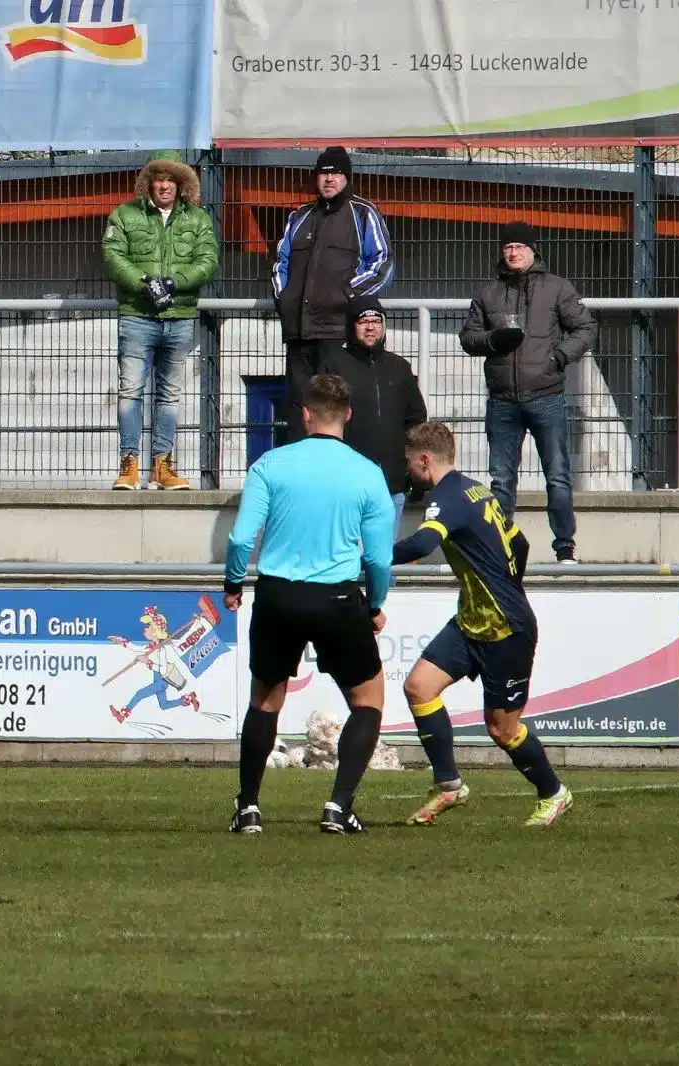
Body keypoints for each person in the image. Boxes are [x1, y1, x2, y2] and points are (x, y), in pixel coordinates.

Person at [223, 373, 394, 835]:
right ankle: (339, 805)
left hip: (278, 594)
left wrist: (233, 583)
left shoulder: (270, 465)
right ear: (349, 416)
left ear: (304, 414)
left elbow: (241, 538)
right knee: (368, 699)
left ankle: (249, 807)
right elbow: (379, 557)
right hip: (337, 596)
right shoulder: (367, 472)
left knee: (265, 699)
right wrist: (376, 602)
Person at [393, 421, 574, 827]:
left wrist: (370, 556)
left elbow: (422, 545)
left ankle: (554, 792)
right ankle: (449, 785)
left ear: (425, 460)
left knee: (502, 729)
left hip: (507, 628)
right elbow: (520, 542)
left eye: (410, 464)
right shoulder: (475, 489)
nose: (408, 472)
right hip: (474, 619)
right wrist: (507, 581)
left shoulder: (447, 496)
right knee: (419, 687)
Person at [459, 221, 596, 564]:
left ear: (534, 250)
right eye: (507, 247)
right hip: (503, 400)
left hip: (547, 395)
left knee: (558, 476)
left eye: (520, 246)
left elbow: (585, 327)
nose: (513, 252)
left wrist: (559, 357)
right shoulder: (488, 293)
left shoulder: (557, 288)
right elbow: (468, 337)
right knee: (502, 479)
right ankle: (501, 547)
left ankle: (564, 547)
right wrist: (493, 340)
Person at [102, 153, 218, 490]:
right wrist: (144, 282)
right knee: (130, 392)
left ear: (182, 184)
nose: (165, 184)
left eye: (171, 178)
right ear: (149, 183)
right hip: (137, 317)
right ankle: (129, 464)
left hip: (179, 318)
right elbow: (113, 256)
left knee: (169, 395)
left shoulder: (198, 219)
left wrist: (173, 282)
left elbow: (208, 260)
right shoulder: (125, 215)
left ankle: (162, 466)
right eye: (159, 178)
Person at [271, 146, 394, 444]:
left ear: (347, 178)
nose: (329, 179)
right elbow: (280, 262)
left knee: (338, 406)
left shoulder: (363, 212)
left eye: (336, 173)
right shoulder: (299, 216)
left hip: (338, 332)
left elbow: (382, 262)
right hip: (299, 333)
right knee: (301, 410)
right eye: (324, 173)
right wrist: (285, 298)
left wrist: (348, 296)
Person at [318, 295, 427, 539]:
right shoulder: (334, 365)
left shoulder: (399, 367)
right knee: (345, 558)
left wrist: (413, 470)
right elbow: (321, 421)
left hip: (391, 483)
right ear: (351, 326)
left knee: (383, 562)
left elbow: (416, 419)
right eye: (363, 321)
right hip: (345, 484)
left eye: (376, 321)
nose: (370, 327)